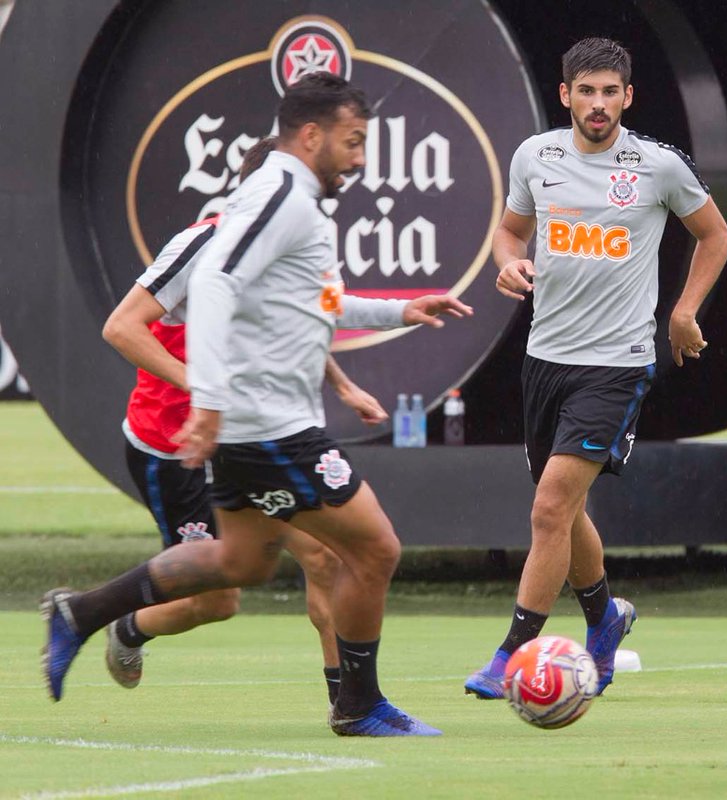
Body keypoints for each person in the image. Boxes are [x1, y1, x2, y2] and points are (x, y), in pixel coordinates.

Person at [42, 72, 472, 737]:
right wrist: (210, 396)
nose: (359, 159)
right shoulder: (283, 196)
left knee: (238, 564)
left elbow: (317, 302)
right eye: (353, 141)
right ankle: (358, 706)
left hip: (253, 423)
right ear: (312, 135)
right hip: (270, 424)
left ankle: (82, 614)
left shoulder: (287, 199)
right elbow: (216, 280)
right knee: (375, 549)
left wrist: (399, 311)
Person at [464, 37, 727, 699]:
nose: (598, 104)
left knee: (551, 506)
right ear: (566, 95)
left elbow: (715, 234)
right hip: (545, 358)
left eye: (610, 92)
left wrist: (683, 311)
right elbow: (509, 231)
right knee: (563, 507)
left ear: (628, 97)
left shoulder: (657, 165)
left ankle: (511, 653)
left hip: (616, 364)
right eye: (586, 91)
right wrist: (508, 260)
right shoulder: (536, 156)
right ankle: (604, 617)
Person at [100, 136, 385, 708]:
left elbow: (297, 320)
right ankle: (125, 626)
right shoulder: (203, 243)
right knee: (217, 601)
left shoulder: (279, 246)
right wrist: (203, 389)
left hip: (249, 436)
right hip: (173, 445)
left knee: (325, 556)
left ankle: (348, 704)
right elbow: (120, 328)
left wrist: (342, 384)